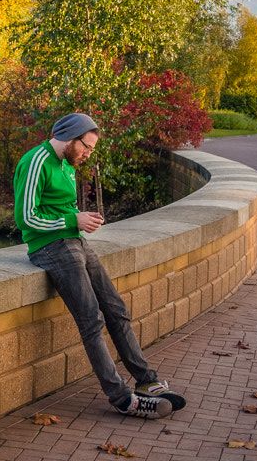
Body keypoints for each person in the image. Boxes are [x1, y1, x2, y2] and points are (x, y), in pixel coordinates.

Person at [14, 112, 184, 419]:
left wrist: (83, 220)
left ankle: (147, 380)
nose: (88, 154)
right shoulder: (36, 161)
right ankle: (121, 397)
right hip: (49, 249)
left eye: (91, 149)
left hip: (74, 242)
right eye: (86, 147)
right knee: (91, 319)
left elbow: (61, 209)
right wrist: (72, 220)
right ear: (70, 136)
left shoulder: (67, 163)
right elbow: (25, 217)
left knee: (116, 309)